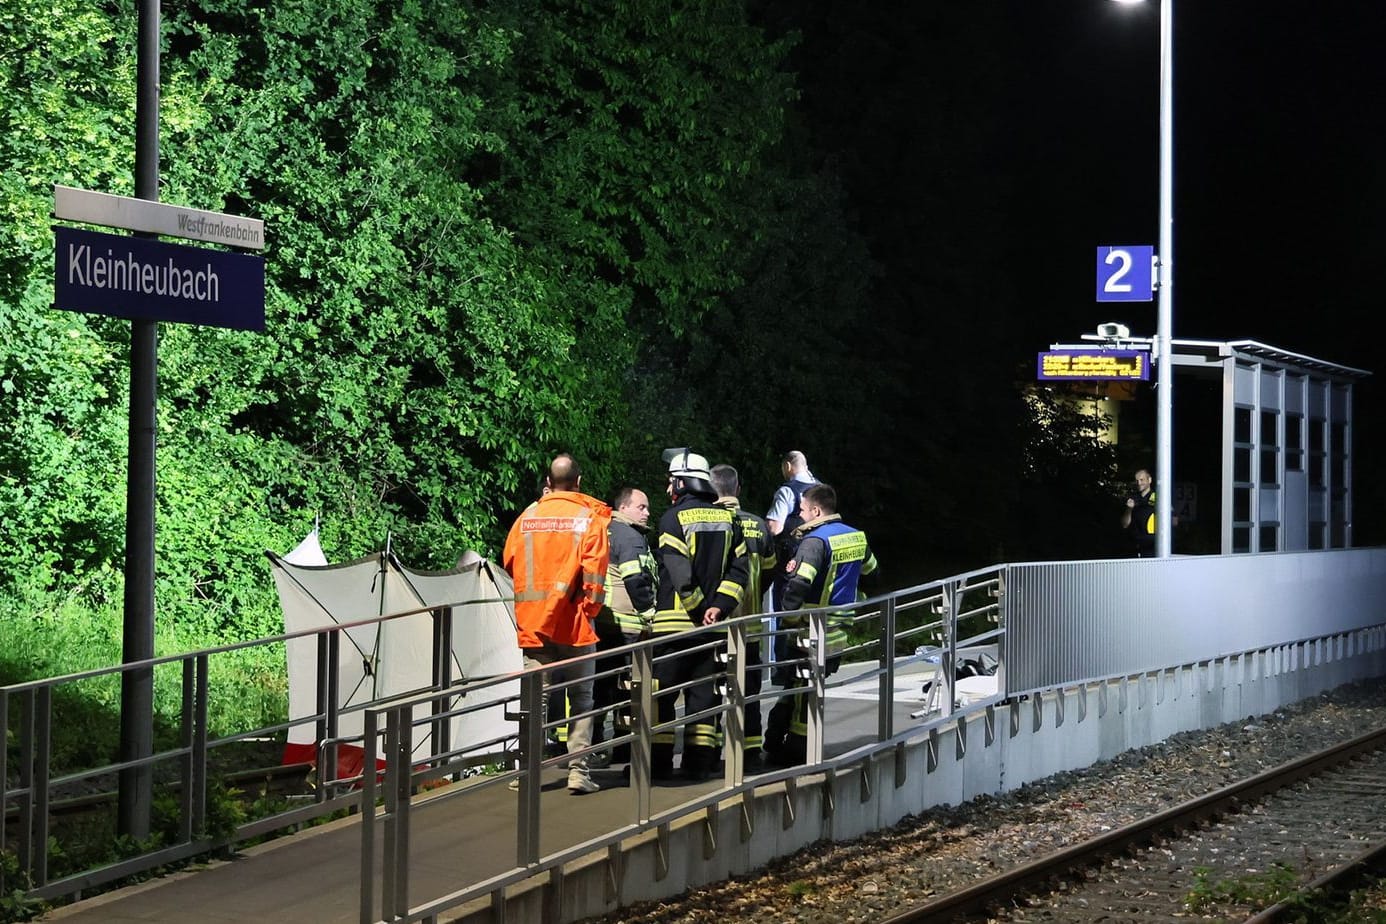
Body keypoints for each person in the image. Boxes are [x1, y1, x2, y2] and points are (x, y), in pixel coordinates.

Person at [502, 453, 611, 794]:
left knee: (535, 701)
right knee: (581, 700)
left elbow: (509, 562)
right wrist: (589, 611)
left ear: (548, 483)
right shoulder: (588, 519)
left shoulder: (527, 517)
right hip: (575, 627)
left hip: (535, 625)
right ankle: (578, 773)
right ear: (578, 482)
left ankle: (528, 774)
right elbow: (595, 576)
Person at [649, 449, 750, 781]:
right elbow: (740, 572)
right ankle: (699, 765)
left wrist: (696, 608)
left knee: (661, 699)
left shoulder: (672, 519)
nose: (668, 490)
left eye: (671, 482)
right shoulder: (729, 519)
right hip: (713, 629)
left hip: (673, 629)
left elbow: (679, 574)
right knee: (703, 699)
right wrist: (717, 608)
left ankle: (659, 766)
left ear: (682, 483)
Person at [764, 483, 878, 768]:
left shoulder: (815, 542)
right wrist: (857, 597)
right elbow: (872, 573)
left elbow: (800, 583)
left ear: (816, 510)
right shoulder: (856, 537)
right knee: (803, 689)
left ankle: (797, 751)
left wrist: (788, 618)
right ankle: (777, 743)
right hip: (838, 632)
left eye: (802, 510)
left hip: (808, 631)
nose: (799, 515)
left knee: (800, 692)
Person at [710, 463, 776, 772]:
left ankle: (707, 754)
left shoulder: (708, 522)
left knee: (709, 691)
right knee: (749, 690)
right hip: (749, 625)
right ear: (737, 489)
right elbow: (771, 568)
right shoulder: (758, 525)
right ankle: (750, 752)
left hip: (714, 625)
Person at [592, 486, 657, 765]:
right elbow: (634, 580)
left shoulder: (601, 529)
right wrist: (650, 613)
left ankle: (592, 744)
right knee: (628, 691)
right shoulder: (630, 537)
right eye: (641, 507)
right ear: (624, 507)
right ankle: (623, 750)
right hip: (627, 627)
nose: (647, 513)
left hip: (600, 622)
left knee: (597, 689)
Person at [1121, 468, 1158, 557]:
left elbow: (1173, 520)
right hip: (1134, 547)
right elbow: (1125, 524)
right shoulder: (1131, 499)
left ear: (1149, 480)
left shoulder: (1158, 498)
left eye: (1142, 480)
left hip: (1152, 548)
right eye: (1137, 480)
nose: (1139, 483)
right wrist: (1129, 509)